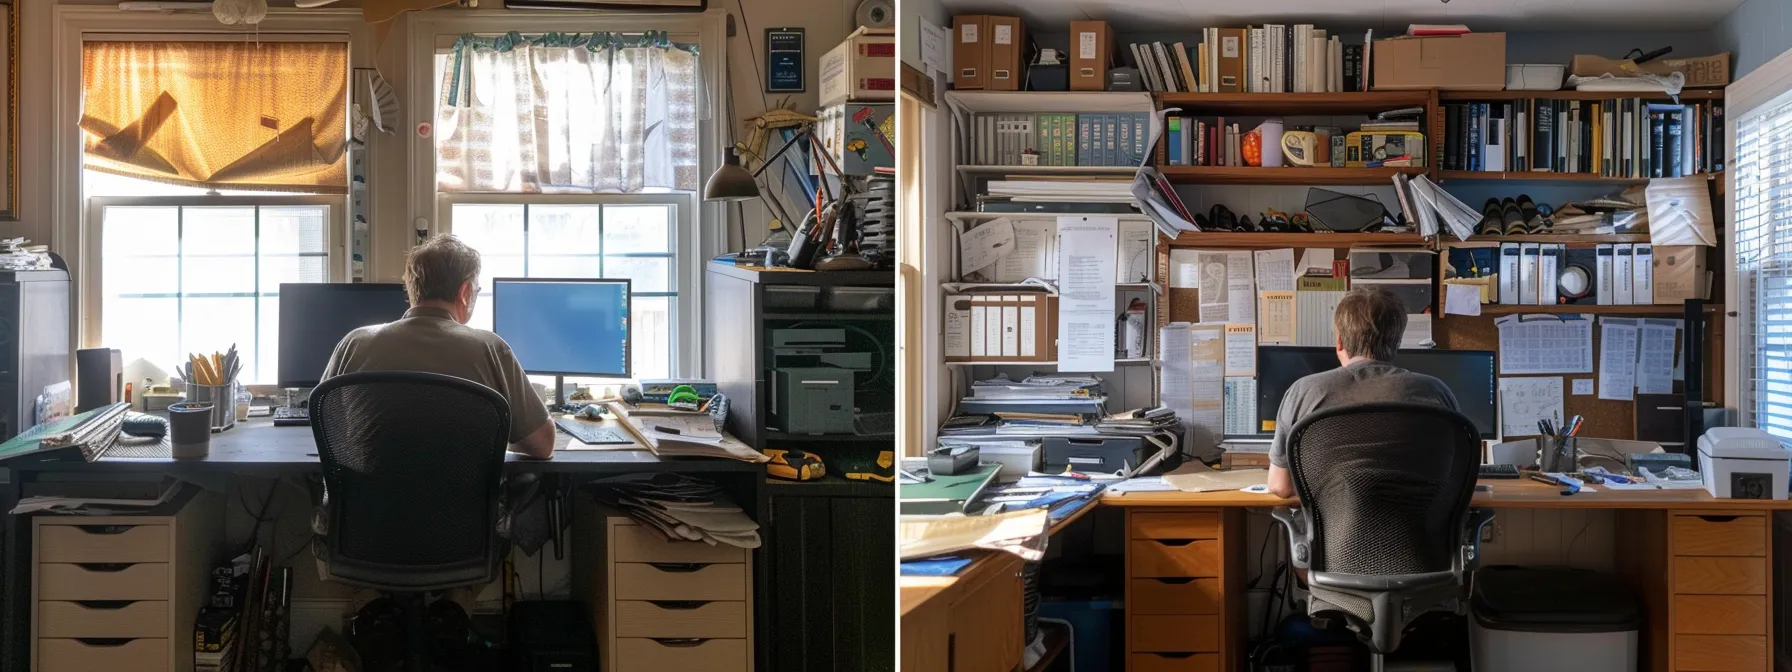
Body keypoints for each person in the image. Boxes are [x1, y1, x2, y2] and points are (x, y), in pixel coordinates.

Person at [320, 234, 556, 459]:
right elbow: (543, 445)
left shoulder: (354, 343)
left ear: (412, 287)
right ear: (465, 292)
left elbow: (324, 427)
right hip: (464, 502)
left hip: (363, 500)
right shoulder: (490, 349)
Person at [1265, 286, 1457, 498]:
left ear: (1339, 342)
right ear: (1397, 343)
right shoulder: (1436, 392)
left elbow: (1280, 486)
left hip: (1334, 531)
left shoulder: (1304, 392)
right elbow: (1458, 476)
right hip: (1419, 530)